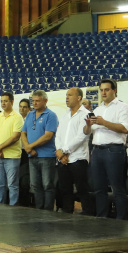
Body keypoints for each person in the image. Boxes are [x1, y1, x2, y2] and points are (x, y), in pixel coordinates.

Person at [85, 79, 128, 220]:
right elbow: (88, 132)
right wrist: (88, 125)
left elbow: (125, 128)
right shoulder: (98, 109)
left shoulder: (123, 107)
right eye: (101, 90)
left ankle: (121, 218)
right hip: (97, 150)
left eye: (106, 89)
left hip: (114, 150)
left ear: (114, 90)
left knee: (117, 187)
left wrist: (104, 122)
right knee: (99, 188)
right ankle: (102, 217)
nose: (103, 93)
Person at [54, 87, 92, 215]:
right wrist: (60, 152)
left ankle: (88, 214)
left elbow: (81, 137)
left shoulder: (85, 114)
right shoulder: (65, 115)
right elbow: (58, 135)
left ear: (79, 97)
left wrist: (64, 151)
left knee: (82, 188)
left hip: (78, 158)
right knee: (65, 189)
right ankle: (67, 212)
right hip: (63, 158)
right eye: (66, 95)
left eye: (70, 95)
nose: (67, 97)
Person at [21, 90, 59, 210]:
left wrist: (30, 146)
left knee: (47, 185)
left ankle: (47, 211)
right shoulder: (30, 115)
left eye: (37, 101)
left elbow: (48, 136)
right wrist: (27, 147)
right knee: (35, 185)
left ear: (45, 101)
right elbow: (23, 132)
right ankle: (39, 210)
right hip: (32, 156)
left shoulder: (51, 115)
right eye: (33, 101)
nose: (35, 103)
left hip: (47, 156)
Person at [0, 91, 24, 205]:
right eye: (1, 101)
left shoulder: (17, 117)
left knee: (12, 185)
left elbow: (15, 137)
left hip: (12, 156)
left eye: (5, 101)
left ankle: (13, 207)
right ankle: (0, 207)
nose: (3, 103)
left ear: (12, 102)